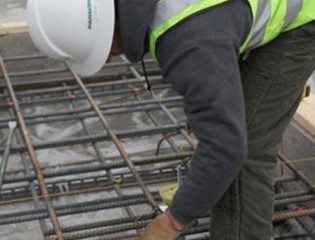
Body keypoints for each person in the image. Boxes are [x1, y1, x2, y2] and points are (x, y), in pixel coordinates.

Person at [27, 0, 315, 239]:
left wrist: (173, 221)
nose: (106, 59)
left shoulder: (188, 38)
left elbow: (226, 148)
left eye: (97, 51)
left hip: (302, 13)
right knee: (228, 127)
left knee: (246, 151)